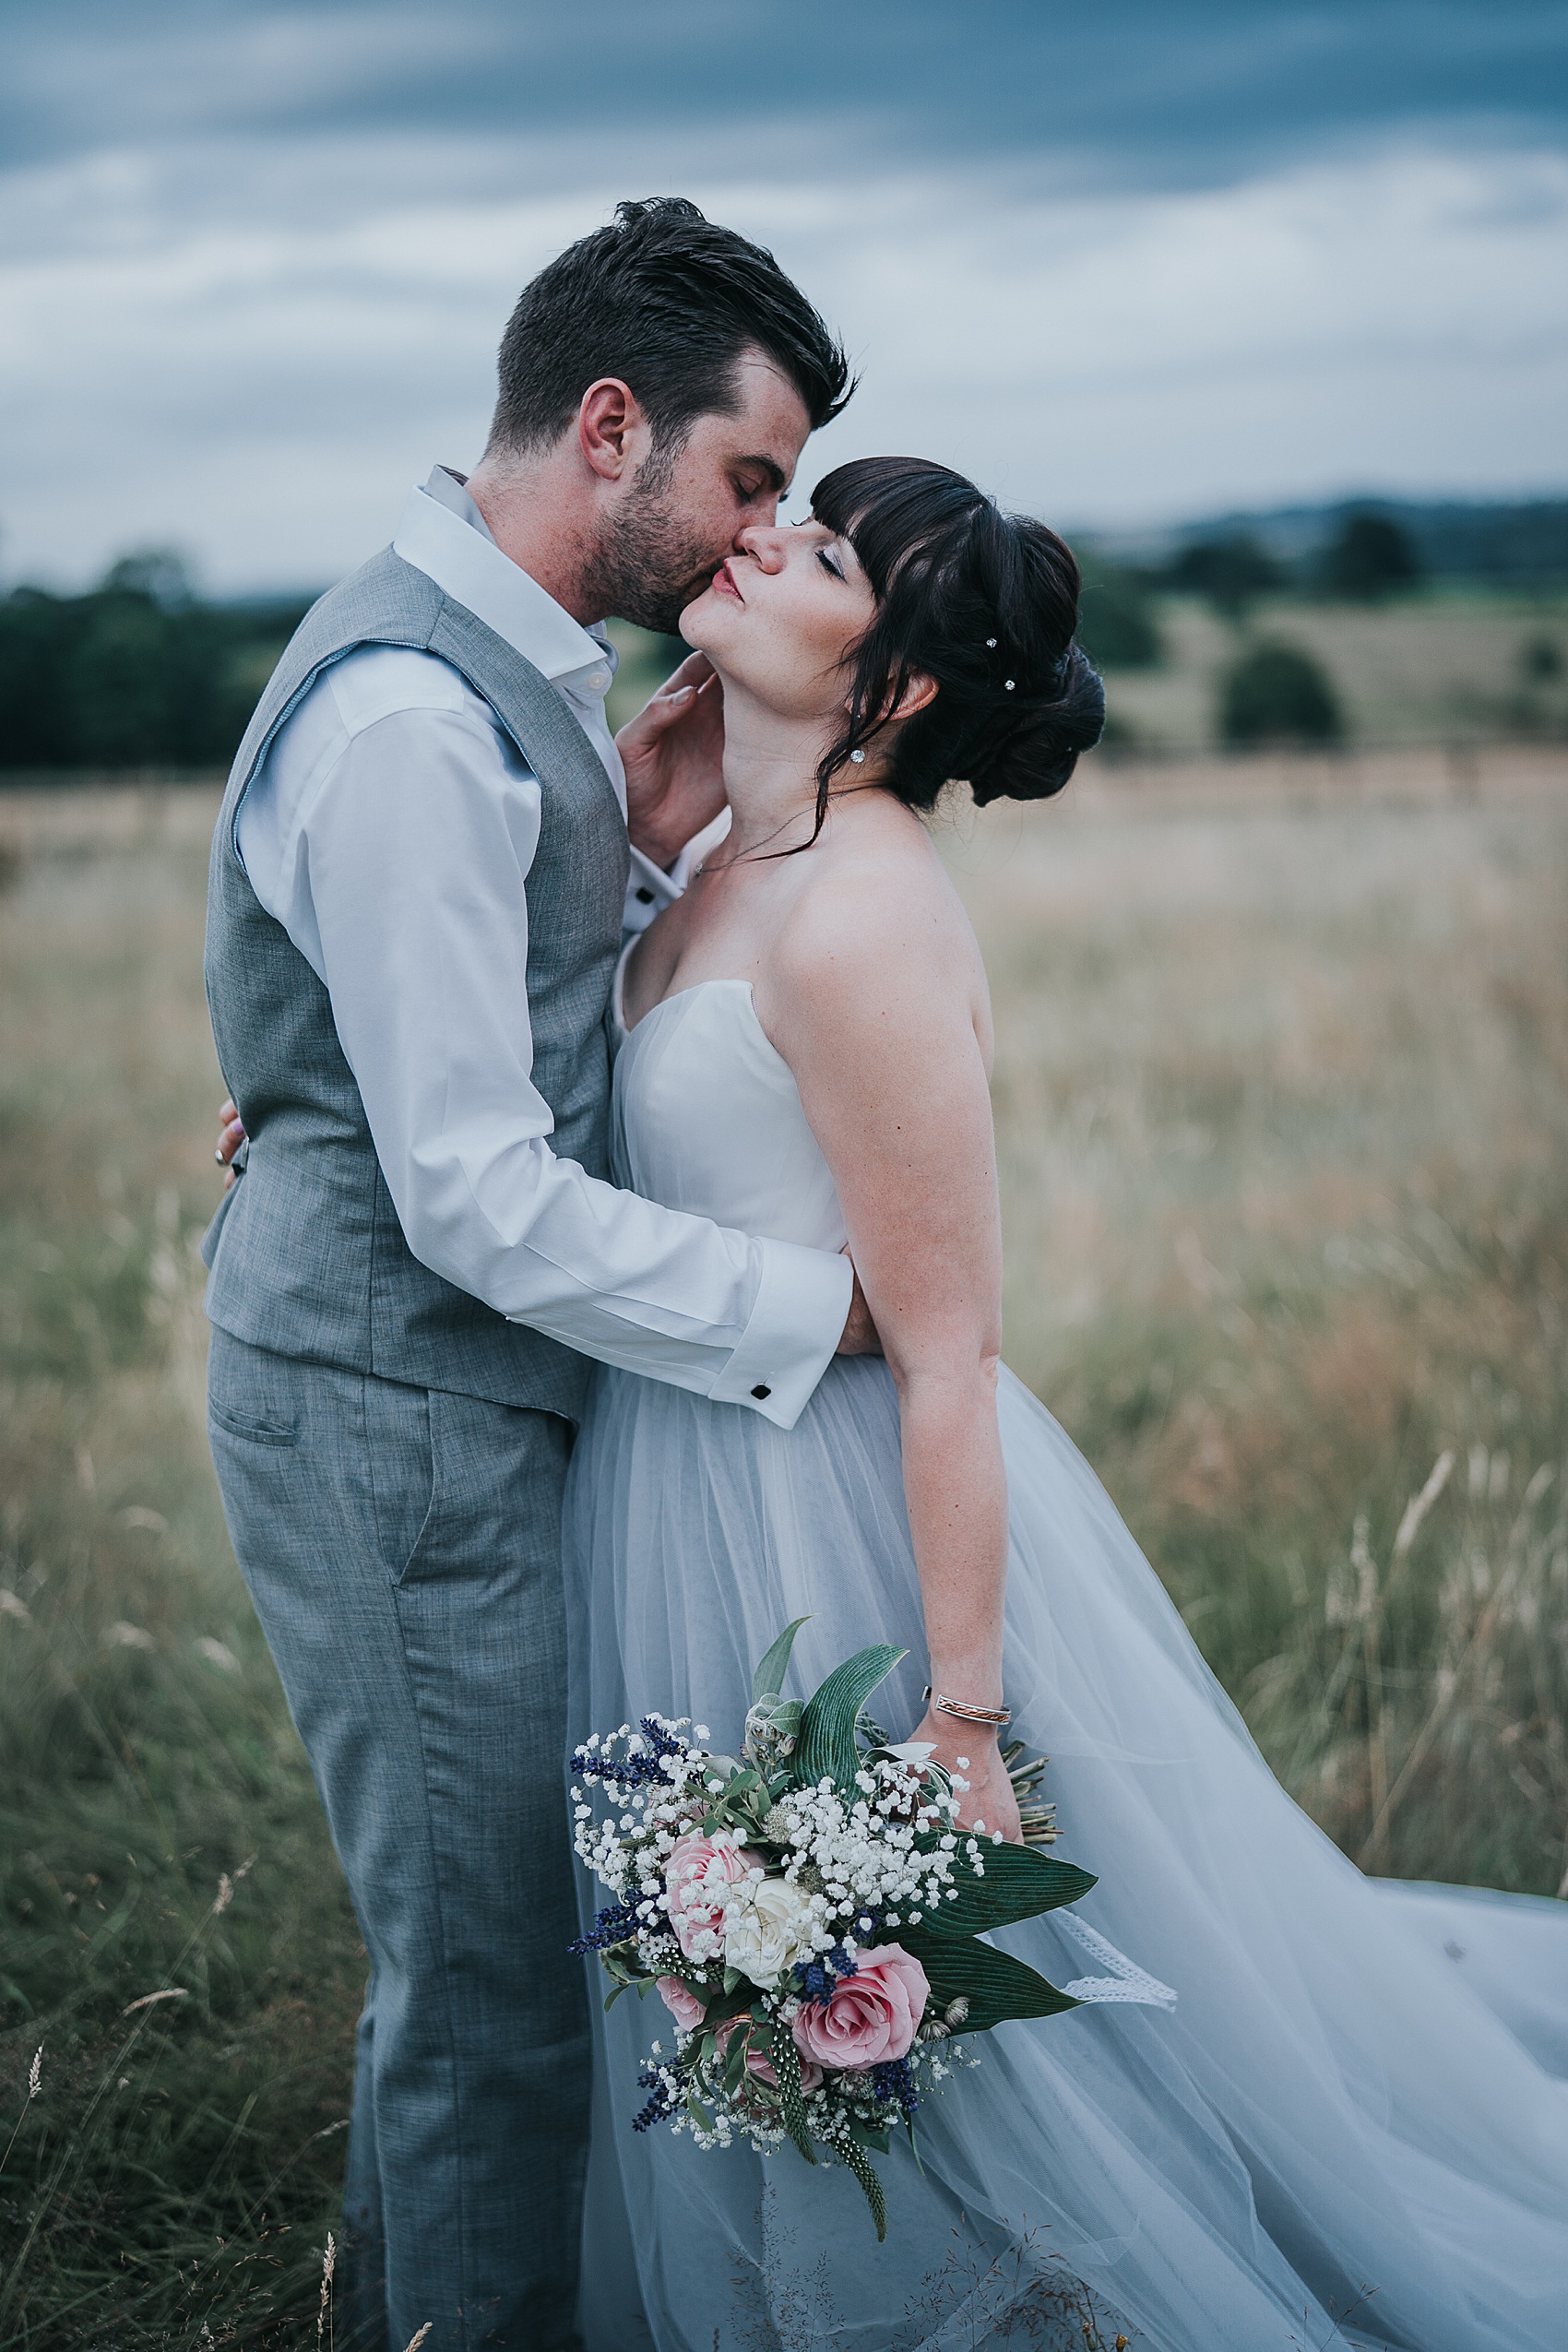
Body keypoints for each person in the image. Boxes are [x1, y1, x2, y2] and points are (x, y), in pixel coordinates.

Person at [557, 457, 1568, 2350]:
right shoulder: (717, 853)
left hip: (826, 1513)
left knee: (923, 2009)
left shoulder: (860, 923)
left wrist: (959, 1711)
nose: (758, 534)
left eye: (825, 546)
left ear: (903, 693)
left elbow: (950, 1353)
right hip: (669, 1476)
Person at [200, 198, 879, 2352]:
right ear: (612, 426)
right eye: (749, 478)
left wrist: (653, 825)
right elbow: (475, 1199)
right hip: (395, 1413)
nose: (760, 532)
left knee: (501, 1966)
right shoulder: (417, 713)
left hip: (463, 1398)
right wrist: (814, 1315)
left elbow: (442, 1008)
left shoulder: (516, 680)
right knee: (490, 1990)